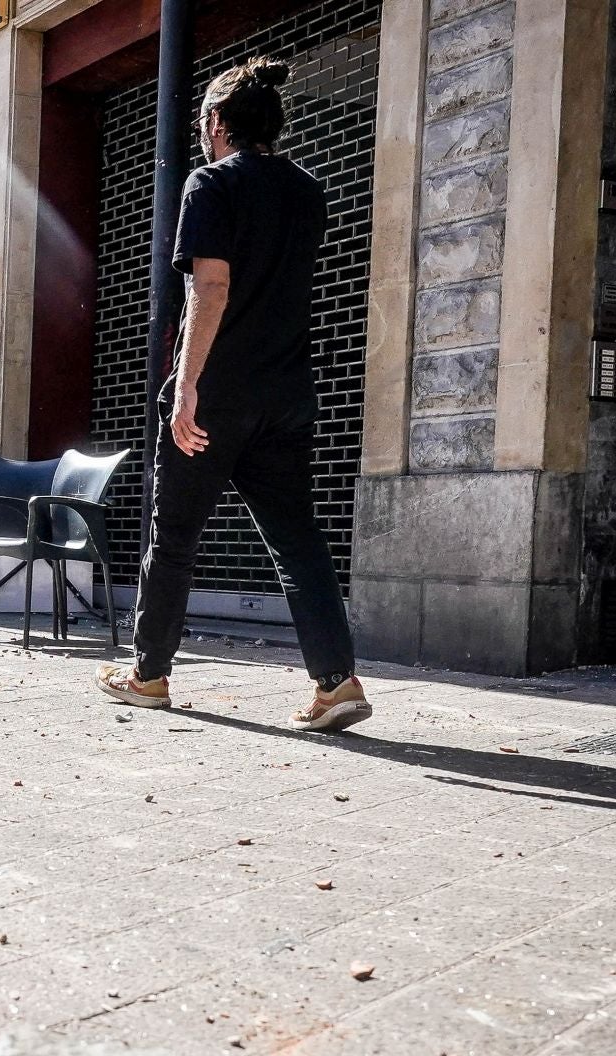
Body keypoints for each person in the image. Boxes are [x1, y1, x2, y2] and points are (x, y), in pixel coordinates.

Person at [96, 55, 371, 733]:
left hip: (218, 397)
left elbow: (210, 290)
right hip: (287, 394)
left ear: (217, 122)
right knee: (298, 539)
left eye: (201, 121)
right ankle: (337, 684)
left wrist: (186, 386)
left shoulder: (210, 183)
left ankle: (149, 675)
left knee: (175, 536)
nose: (199, 132)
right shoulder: (308, 191)